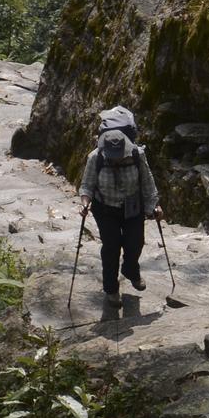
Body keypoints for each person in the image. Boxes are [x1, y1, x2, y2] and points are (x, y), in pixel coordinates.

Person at [78, 129, 162, 307]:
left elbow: (148, 182)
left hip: (132, 206)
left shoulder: (137, 155)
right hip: (105, 208)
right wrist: (85, 203)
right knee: (111, 247)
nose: (116, 158)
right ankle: (111, 289)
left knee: (135, 242)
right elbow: (87, 185)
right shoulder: (95, 157)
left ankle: (130, 270)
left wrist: (153, 206)